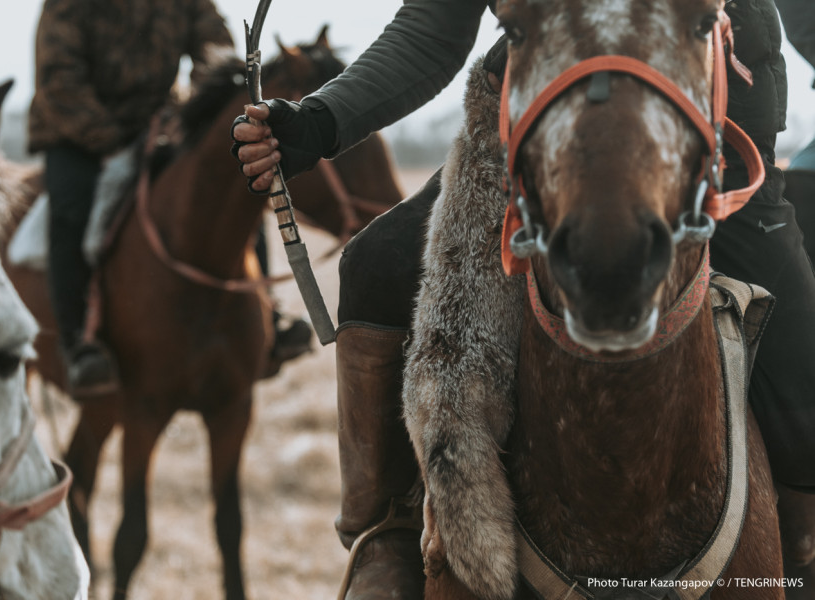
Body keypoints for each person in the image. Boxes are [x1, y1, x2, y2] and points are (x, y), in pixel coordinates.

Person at [233, 0, 815, 598]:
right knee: (374, 265)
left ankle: (801, 536)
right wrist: (322, 121)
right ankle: (385, 534)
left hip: (707, 134)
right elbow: (433, 27)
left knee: (802, 333)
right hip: (534, 134)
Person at [28, 0, 310, 398]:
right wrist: (114, 142)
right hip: (75, 133)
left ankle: (268, 313)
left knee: (236, 182)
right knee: (71, 212)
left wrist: (196, 111)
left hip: (158, 124)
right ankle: (77, 344)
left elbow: (217, 52)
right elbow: (60, 81)